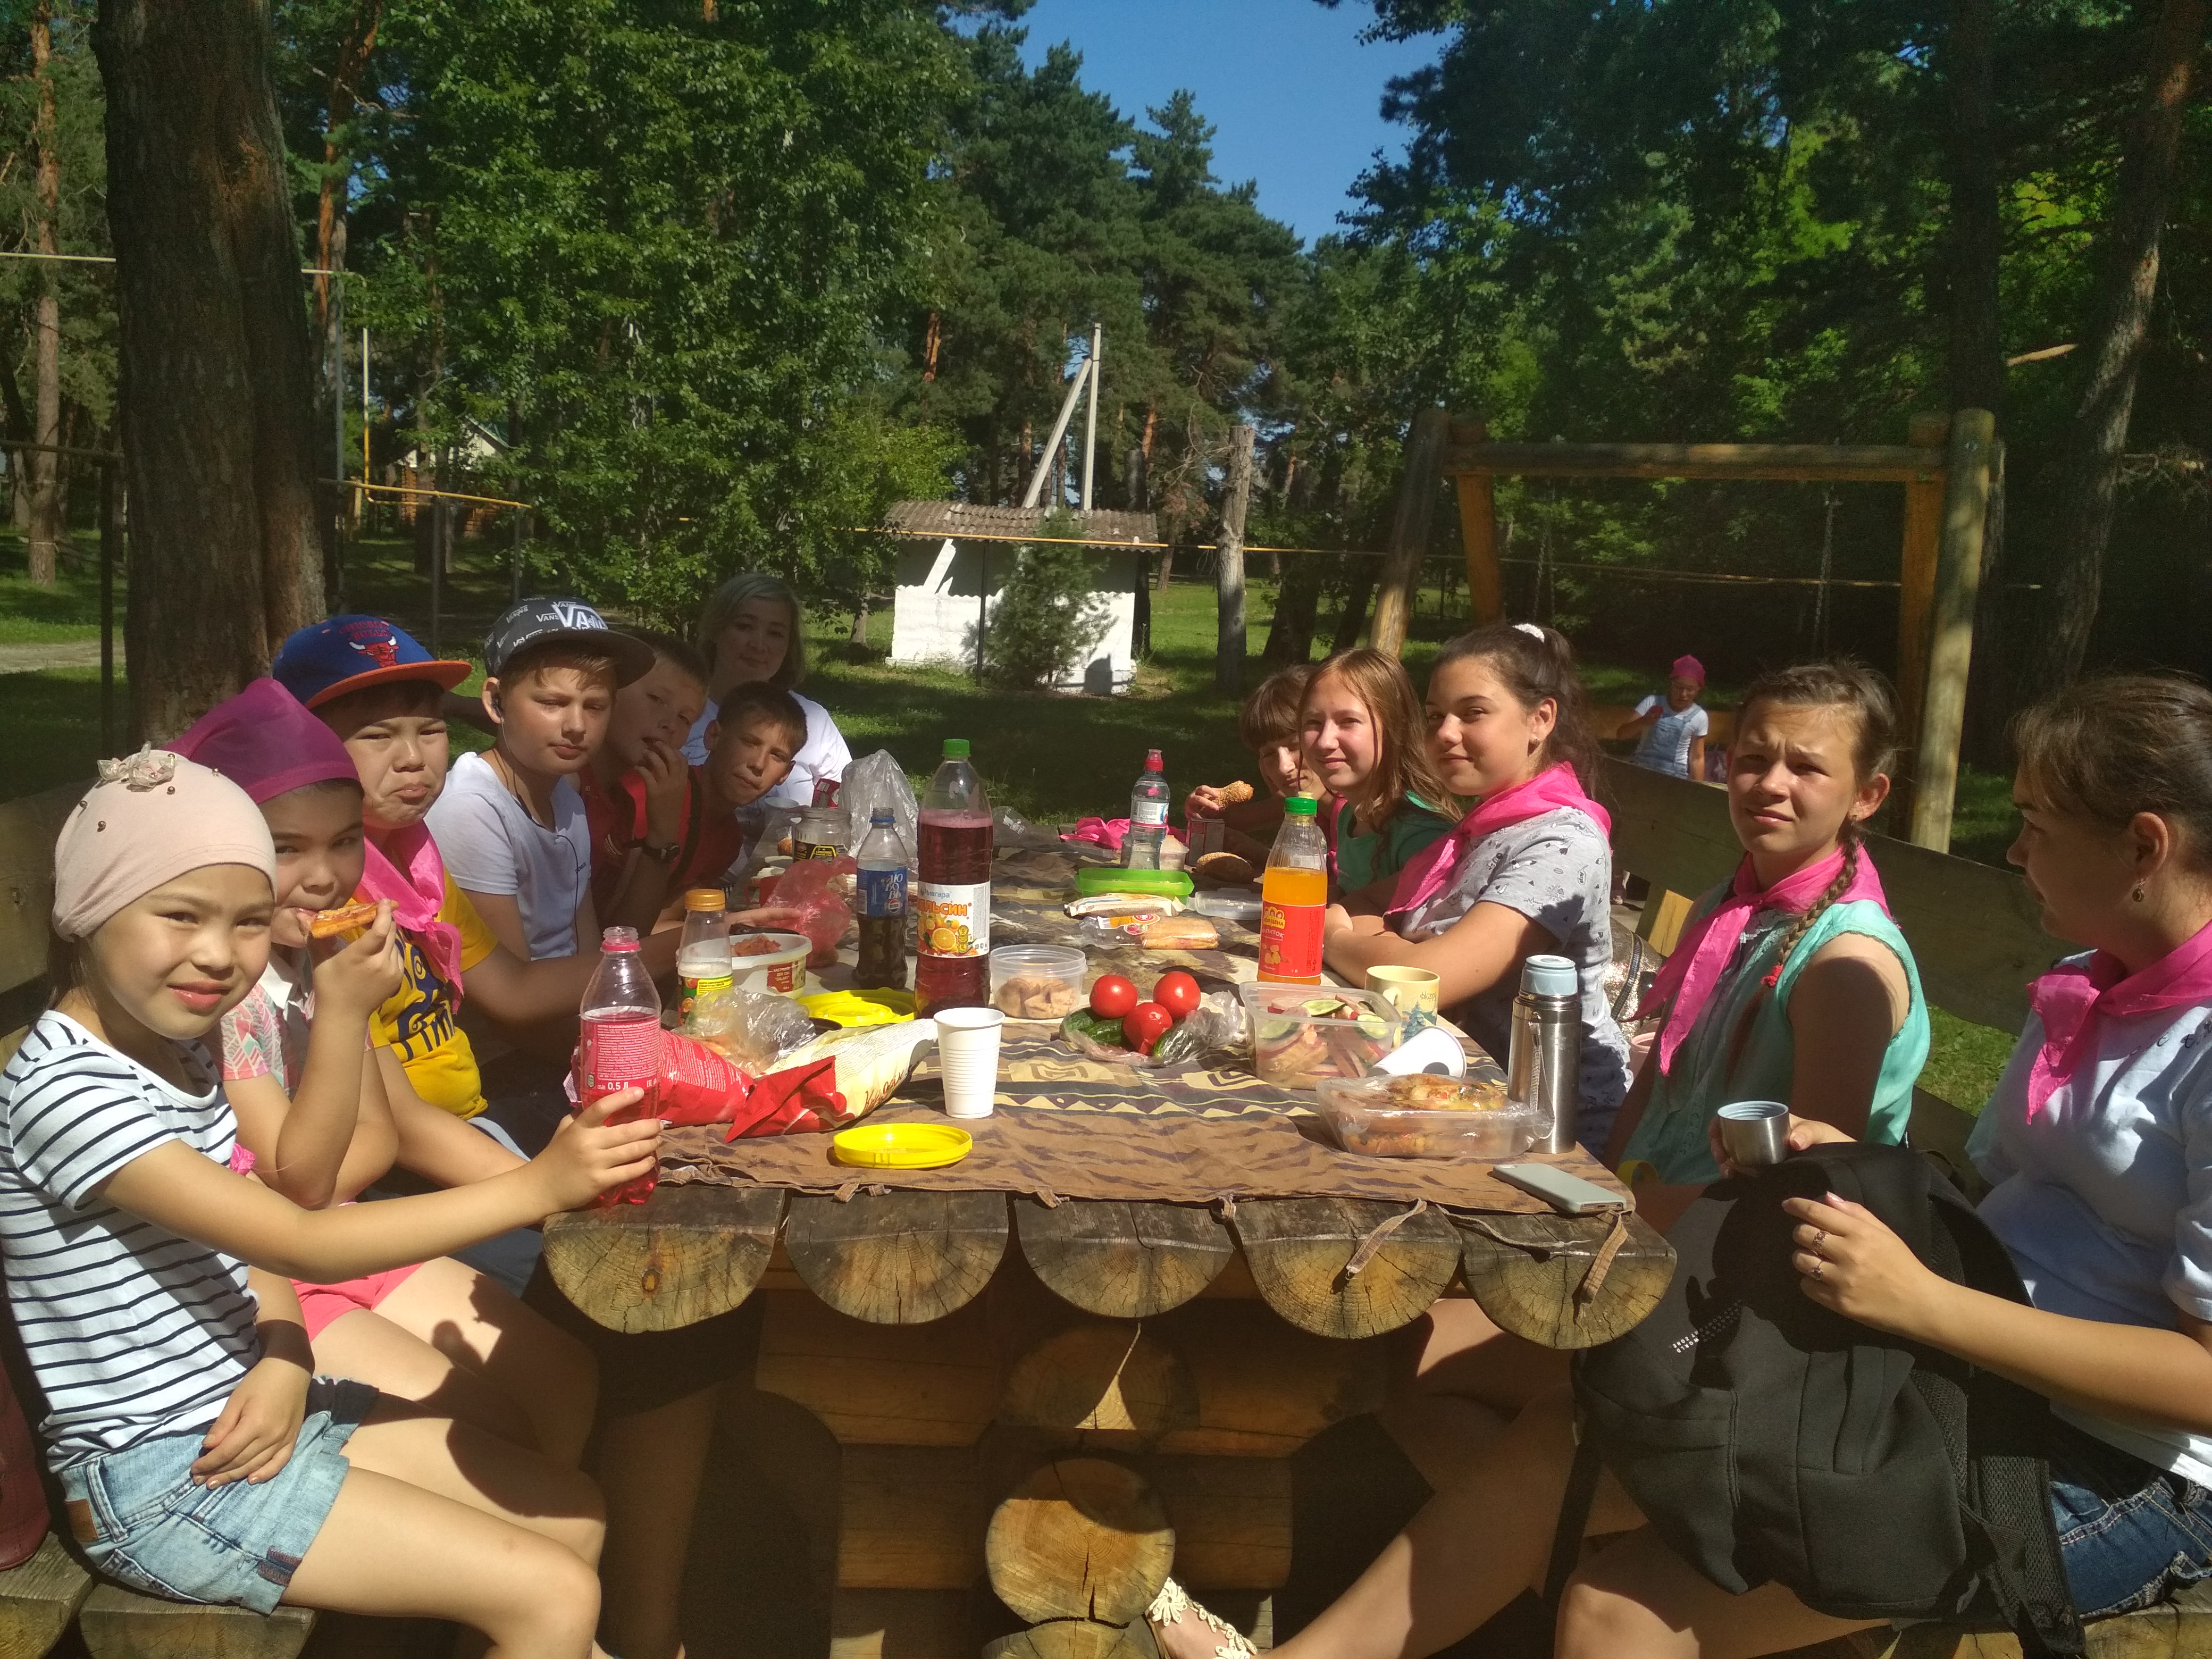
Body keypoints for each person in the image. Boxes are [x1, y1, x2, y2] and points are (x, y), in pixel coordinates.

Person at [1154, 672, 2212, 1659]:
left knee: (1612, 1610)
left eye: (2036, 827)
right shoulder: (2095, 985)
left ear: (2143, 847)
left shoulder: (2187, 1045)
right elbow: (2016, 1206)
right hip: (1954, 1369)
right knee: (1564, 1432)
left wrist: (1924, 1303)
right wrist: (1846, 1173)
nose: (2015, 852)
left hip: (2112, 1465)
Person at [3, 748, 656, 1656]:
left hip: (257, 1405)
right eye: (180, 916)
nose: (218, 955)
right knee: (552, 1593)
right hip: (170, 1477)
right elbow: (298, 1237)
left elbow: (252, 1247)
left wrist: (282, 1351)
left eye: (245, 923)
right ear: (86, 912)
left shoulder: (174, 1049)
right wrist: (537, 1186)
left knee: (571, 1512)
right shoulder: (71, 1094)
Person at [272, 616, 755, 1659]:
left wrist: (552, 1188)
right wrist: (539, 1191)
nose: (412, 758)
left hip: (450, 1141)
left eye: (422, 729)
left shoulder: (403, 861)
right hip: (386, 1194)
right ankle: (620, 1620)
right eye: (374, 736)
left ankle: (552, 1608)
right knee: (669, 1305)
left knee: (664, 1265)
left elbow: (416, 1094)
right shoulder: (315, 901)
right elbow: (346, 1157)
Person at [174, 681, 598, 1465]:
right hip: (271, 1275)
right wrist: (344, 1016)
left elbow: (385, 1132)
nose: (325, 876)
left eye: (344, 842)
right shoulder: (228, 994)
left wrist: (561, 1196)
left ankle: (567, 1516)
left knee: (565, 1377)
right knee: (493, 1426)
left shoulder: (319, 955)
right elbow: (307, 1183)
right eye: (287, 849)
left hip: (343, 1235)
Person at [1607, 661, 1929, 1225]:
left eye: (1806, 768)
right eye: (1754, 760)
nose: (1771, 784)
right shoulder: (1721, 907)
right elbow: (1658, 1077)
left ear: (1866, 795)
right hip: (1640, 1199)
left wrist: (1618, 1213)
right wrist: (1595, 1183)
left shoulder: (1843, 966)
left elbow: (1807, 1187)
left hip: (1723, 1241)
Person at [1321, 621, 1633, 1152]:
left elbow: (1428, 983)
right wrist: (1383, 947)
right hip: (1460, 1090)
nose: (1445, 733)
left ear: (1540, 719)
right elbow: (1367, 904)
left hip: (1553, 1128)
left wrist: (1334, 937)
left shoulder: (1560, 843)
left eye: (1472, 713)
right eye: (1435, 716)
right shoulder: (1482, 829)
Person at [428, 598, 656, 963]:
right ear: (496, 702)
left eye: (595, 706)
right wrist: (687, 944)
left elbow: (584, 942)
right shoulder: (471, 810)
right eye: (552, 703)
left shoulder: (567, 798)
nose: (577, 726)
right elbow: (514, 988)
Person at [598, 682, 808, 932]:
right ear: (713, 737)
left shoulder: (729, 840)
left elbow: (659, 922)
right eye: (749, 742)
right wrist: (725, 927)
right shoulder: (655, 793)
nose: (759, 764)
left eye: (777, 756)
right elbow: (619, 928)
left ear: (786, 773)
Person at [1300, 648, 1457, 897]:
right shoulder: (1350, 816)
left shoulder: (1421, 835)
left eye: (1348, 721)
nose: (1325, 742)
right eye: (1313, 723)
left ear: (1395, 728)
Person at [685, 572, 851, 808]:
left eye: (775, 633)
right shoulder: (678, 711)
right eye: (745, 626)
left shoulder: (813, 721)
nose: (759, 645)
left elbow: (849, 805)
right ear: (716, 629)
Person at [581, 629, 710, 917]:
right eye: (656, 699)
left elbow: (628, 928)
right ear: (609, 690)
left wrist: (664, 830)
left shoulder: (622, 804)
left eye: (685, 718)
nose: (670, 724)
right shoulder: (564, 786)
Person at [1186, 663, 1321, 866]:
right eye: (1268, 754)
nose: (1284, 767)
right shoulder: (1300, 799)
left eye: (1295, 745)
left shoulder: (1352, 813)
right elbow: (1229, 821)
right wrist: (1201, 810)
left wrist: (1264, 856)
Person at [1620, 653, 1711, 779]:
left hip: (1675, 776)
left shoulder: (1699, 717)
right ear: (1671, 683)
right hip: (1642, 768)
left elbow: (1697, 758)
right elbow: (1622, 734)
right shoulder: (1652, 702)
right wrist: (1643, 722)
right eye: (1679, 687)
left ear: (1699, 690)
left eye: (1690, 689)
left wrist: (1698, 788)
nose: (1683, 694)